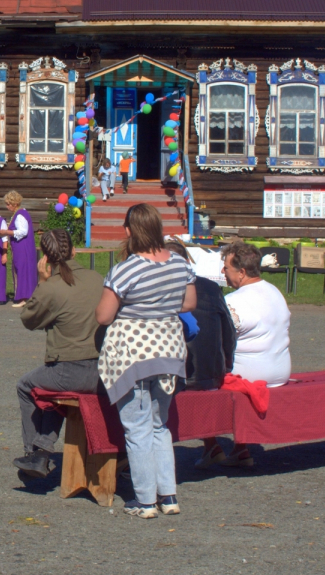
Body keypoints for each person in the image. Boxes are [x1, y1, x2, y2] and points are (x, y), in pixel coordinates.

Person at [95, 203, 196, 519]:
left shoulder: (125, 269)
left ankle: (144, 500)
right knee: (159, 426)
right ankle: (168, 495)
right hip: (168, 350)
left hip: (133, 353)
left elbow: (104, 315)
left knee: (136, 428)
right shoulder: (179, 263)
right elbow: (189, 302)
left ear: (129, 231)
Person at [12, 229, 106, 477]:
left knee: (27, 385)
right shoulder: (97, 278)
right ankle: (43, 448)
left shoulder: (51, 287)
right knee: (51, 385)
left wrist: (41, 283)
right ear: (74, 250)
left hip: (69, 369)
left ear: (45, 257)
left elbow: (29, 319)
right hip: (103, 370)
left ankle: (34, 452)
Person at [196, 241, 292, 469]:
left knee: (198, 378)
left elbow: (213, 341)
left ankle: (211, 446)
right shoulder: (274, 291)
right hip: (280, 370)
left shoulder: (233, 302)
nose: (222, 272)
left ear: (241, 272)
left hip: (251, 374)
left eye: (226, 268)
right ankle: (240, 449)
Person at [162, 241, 234, 393]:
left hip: (169, 377)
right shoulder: (211, 287)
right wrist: (227, 367)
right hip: (208, 376)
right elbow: (228, 331)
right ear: (188, 262)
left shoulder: (155, 288)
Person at [0, 191, 36, 307]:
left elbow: (23, 231)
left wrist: (6, 232)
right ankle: (23, 296)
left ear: (14, 203)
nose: (7, 206)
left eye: (9, 204)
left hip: (23, 248)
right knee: (20, 270)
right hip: (19, 247)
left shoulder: (20, 215)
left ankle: (24, 297)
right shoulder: (17, 214)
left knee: (23, 271)